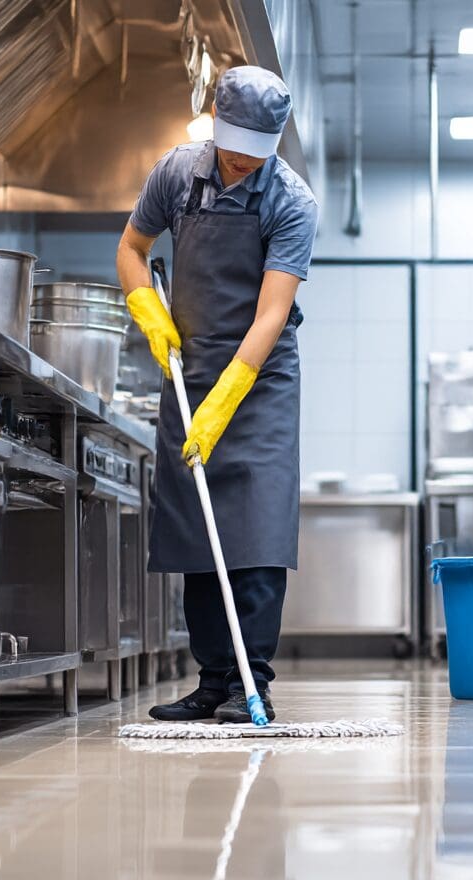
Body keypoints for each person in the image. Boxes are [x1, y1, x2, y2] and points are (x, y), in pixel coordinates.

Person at [117, 65, 318, 724]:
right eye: (232, 144)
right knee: (195, 532)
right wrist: (146, 304)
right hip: (189, 369)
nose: (238, 160)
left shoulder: (291, 201)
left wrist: (230, 391)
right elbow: (131, 247)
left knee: (255, 530)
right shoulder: (177, 173)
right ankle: (212, 682)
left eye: (253, 151)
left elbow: (270, 313)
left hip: (257, 383)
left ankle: (251, 681)